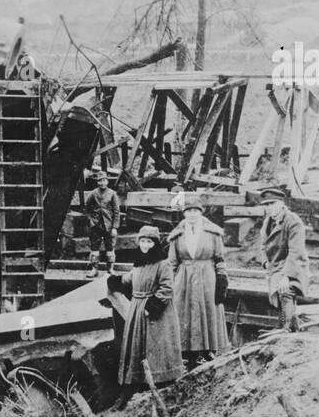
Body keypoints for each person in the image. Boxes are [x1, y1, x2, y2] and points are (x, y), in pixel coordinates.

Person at [110, 225, 184, 396]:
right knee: (137, 347)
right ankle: (138, 383)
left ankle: (160, 380)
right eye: (142, 241)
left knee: (155, 345)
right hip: (137, 307)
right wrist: (115, 281)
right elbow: (131, 278)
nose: (145, 245)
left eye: (149, 242)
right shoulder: (139, 262)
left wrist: (152, 307)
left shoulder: (162, 264)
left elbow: (167, 288)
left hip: (155, 313)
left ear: (155, 243)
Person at [167, 195, 229, 369]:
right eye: (188, 211)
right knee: (183, 313)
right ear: (184, 214)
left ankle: (207, 351)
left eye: (195, 211)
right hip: (184, 279)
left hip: (207, 278)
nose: (192, 214)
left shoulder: (213, 232)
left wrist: (222, 279)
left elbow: (220, 259)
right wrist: (168, 284)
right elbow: (172, 262)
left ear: (201, 213)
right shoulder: (177, 235)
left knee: (208, 311)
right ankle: (186, 355)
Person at [259, 186, 309, 332]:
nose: (269, 208)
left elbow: (296, 252)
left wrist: (287, 276)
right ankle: (284, 326)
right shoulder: (268, 221)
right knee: (276, 295)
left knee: (286, 291)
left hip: (294, 266)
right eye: (266, 205)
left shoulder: (293, 222)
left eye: (272, 204)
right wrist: (265, 262)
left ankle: (287, 329)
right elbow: (263, 244)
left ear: (281, 203)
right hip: (275, 266)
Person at [84, 170, 121, 274]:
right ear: (97, 182)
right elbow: (86, 209)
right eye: (100, 181)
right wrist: (91, 221)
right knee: (94, 248)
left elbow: (117, 212)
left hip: (108, 225)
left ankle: (110, 268)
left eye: (104, 180)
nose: (102, 183)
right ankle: (94, 269)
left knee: (110, 247)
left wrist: (114, 227)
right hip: (96, 226)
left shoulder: (112, 194)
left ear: (107, 182)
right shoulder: (93, 193)